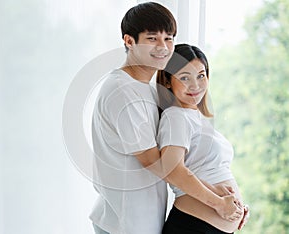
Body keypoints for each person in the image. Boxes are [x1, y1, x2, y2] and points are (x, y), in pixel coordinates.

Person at [90, 2, 242, 234]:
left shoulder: (148, 90)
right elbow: (164, 166)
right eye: (152, 38)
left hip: (142, 219)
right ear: (129, 41)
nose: (163, 47)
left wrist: (230, 202)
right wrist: (220, 202)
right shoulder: (124, 92)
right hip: (124, 223)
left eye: (169, 38)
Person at [156, 43, 250, 234]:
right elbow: (172, 170)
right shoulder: (176, 116)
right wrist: (220, 204)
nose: (196, 85)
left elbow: (210, 172)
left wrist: (236, 206)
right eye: (184, 77)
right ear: (167, 81)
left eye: (201, 75)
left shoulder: (197, 119)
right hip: (193, 227)